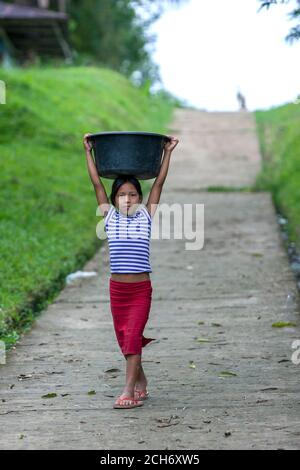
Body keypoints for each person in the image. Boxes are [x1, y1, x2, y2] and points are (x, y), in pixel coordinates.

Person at [83, 132, 179, 409]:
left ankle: (126, 391)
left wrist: (168, 152)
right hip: (118, 290)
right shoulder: (109, 216)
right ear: (113, 200)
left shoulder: (147, 215)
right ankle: (141, 380)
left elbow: (159, 182)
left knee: (133, 336)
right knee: (126, 339)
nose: (127, 199)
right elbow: (95, 183)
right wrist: (88, 151)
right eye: (122, 195)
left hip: (140, 290)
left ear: (140, 197)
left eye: (133, 194)